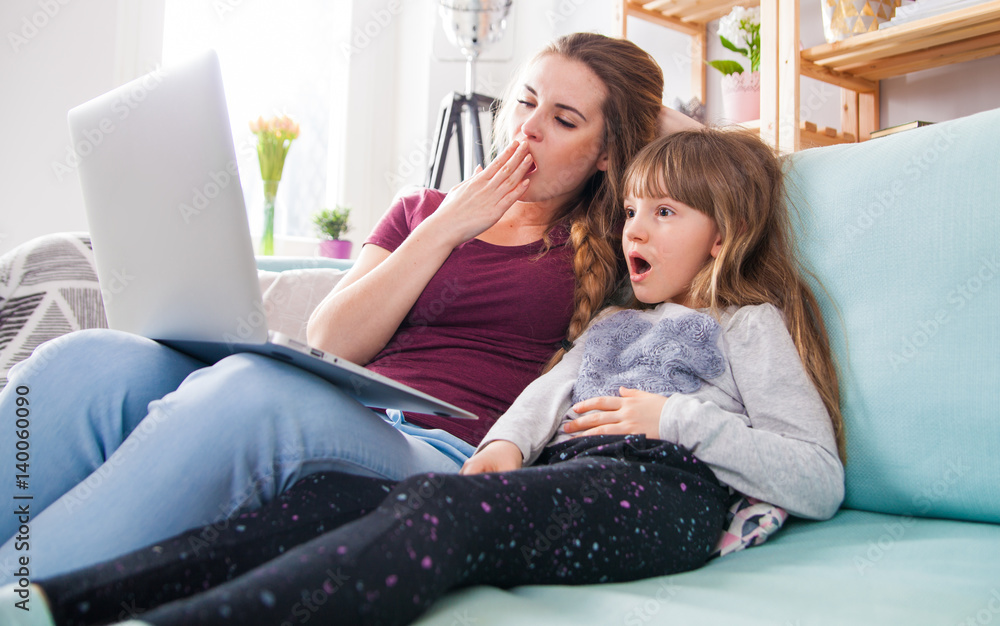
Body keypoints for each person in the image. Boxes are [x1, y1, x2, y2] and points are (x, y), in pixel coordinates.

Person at [1, 128, 845, 626]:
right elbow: (537, 404)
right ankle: (50, 600)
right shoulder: (616, 325)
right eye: (631, 208)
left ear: (724, 235)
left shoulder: (747, 325)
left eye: (666, 212)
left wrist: (675, 421)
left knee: (436, 509)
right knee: (324, 499)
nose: (636, 227)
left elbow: (817, 478)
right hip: (566, 475)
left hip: (662, 488)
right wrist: (510, 445)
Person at [0, 33, 675, 580]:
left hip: (441, 451)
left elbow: (704, 162)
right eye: (525, 101)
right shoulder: (421, 211)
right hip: (350, 405)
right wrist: (445, 226)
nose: (527, 130)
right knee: (86, 360)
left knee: (254, 393)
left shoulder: (621, 243)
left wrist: (649, 124)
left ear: (609, 153)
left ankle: (16, 599)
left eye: (562, 120)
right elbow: (335, 338)